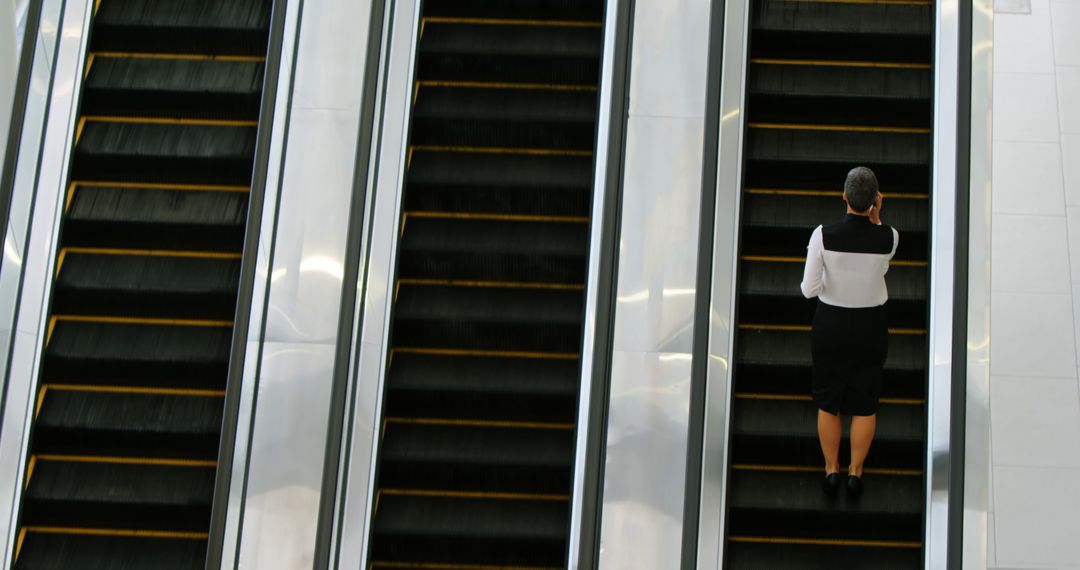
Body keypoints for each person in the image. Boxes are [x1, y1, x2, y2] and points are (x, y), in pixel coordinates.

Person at [799, 166, 898, 497]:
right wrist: (877, 220)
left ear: (844, 196)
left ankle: (831, 468)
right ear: (875, 201)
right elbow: (881, 266)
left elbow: (809, 290)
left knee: (829, 402)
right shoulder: (889, 238)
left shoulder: (823, 235)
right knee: (865, 402)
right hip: (871, 326)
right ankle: (856, 472)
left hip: (831, 325)